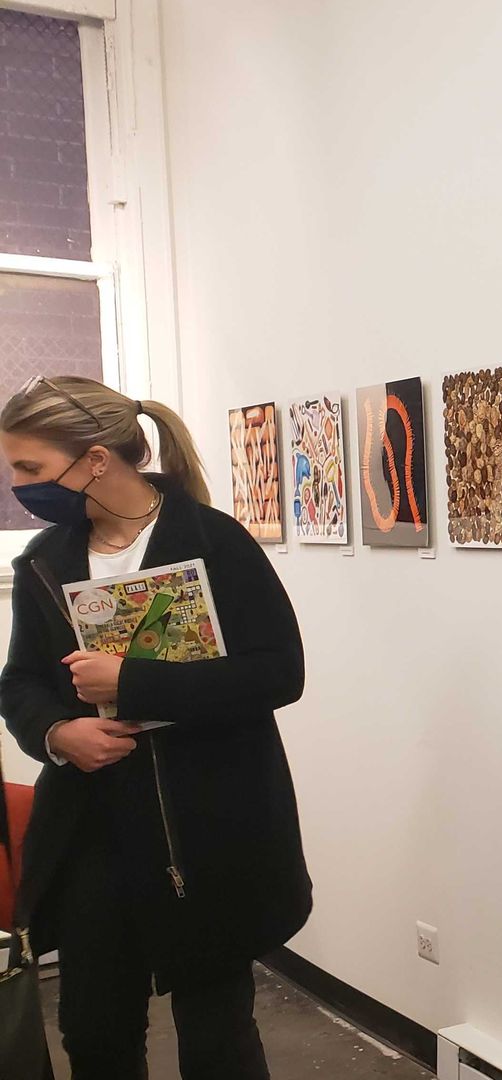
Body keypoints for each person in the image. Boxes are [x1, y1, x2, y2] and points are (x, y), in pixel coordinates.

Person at [0, 376, 310, 1079]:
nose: (19, 485)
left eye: (31, 467)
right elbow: (19, 684)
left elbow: (277, 673)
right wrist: (57, 734)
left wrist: (131, 683)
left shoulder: (216, 542)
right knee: (95, 1032)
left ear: (95, 460)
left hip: (211, 828)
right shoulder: (45, 558)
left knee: (217, 1037)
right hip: (92, 827)